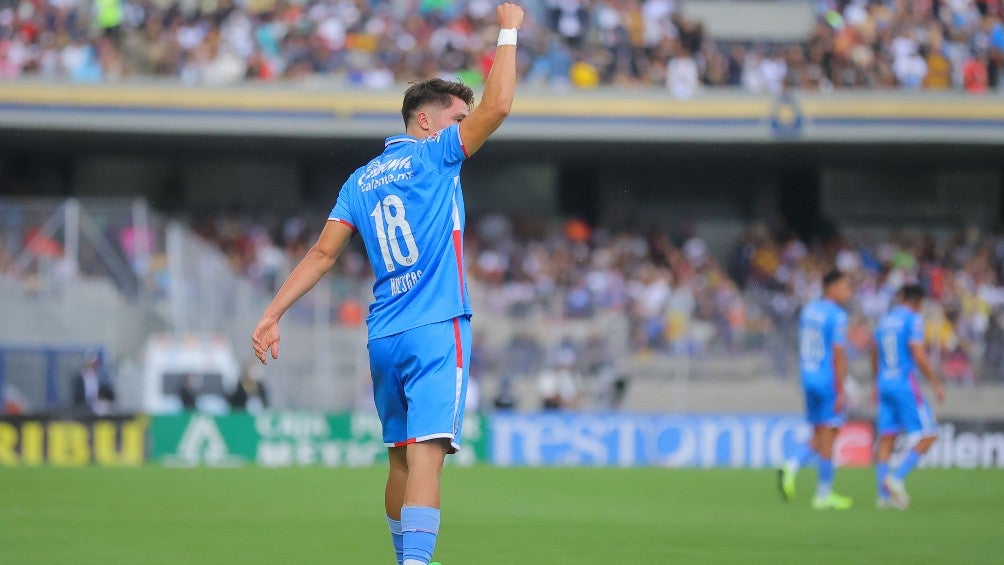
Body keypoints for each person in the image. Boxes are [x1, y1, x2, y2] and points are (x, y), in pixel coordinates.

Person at [250, 5, 524, 564]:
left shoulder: (360, 180)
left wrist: (272, 313)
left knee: (399, 457)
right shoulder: (436, 156)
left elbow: (322, 254)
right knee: (427, 455)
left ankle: (404, 558)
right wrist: (509, 30)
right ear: (425, 122)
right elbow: (498, 105)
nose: (464, 125)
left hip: (384, 335)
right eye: (457, 117)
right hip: (435, 325)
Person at [777, 269, 854, 510]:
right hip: (826, 379)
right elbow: (839, 355)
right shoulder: (837, 315)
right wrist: (841, 389)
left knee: (821, 433)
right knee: (829, 434)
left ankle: (792, 465)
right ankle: (822, 493)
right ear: (831, 287)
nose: (849, 292)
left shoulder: (809, 310)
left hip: (808, 377)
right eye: (845, 287)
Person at [873, 284, 945, 510]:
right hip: (904, 383)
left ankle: (883, 497)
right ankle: (896, 478)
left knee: (886, 437)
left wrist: (876, 381)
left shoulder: (884, 320)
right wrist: (935, 381)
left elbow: (874, 351)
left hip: (884, 382)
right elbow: (918, 353)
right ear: (918, 302)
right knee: (930, 433)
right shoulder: (912, 319)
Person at [71, 351, 115, 415]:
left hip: (97, 406)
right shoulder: (79, 378)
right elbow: (77, 396)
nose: (93, 366)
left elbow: (107, 393)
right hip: (83, 407)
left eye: (95, 364)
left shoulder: (100, 377)